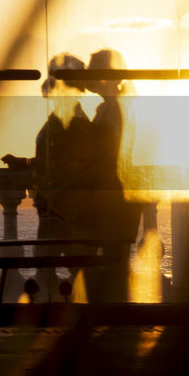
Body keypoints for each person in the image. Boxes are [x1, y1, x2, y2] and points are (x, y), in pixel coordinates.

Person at [1, 53, 92, 300]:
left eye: (54, 77)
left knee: (50, 267)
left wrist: (27, 164)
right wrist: (25, 163)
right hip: (56, 209)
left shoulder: (72, 121)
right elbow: (55, 161)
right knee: (51, 268)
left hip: (62, 210)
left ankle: (53, 318)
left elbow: (65, 165)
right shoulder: (67, 118)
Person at [83, 48, 143, 302]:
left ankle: (114, 316)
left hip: (113, 199)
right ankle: (114, 317)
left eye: (92, 71)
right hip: (113, 198)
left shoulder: (115, 109)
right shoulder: (112, 107)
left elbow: (111, 157)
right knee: (112, 260)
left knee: (111, 260)